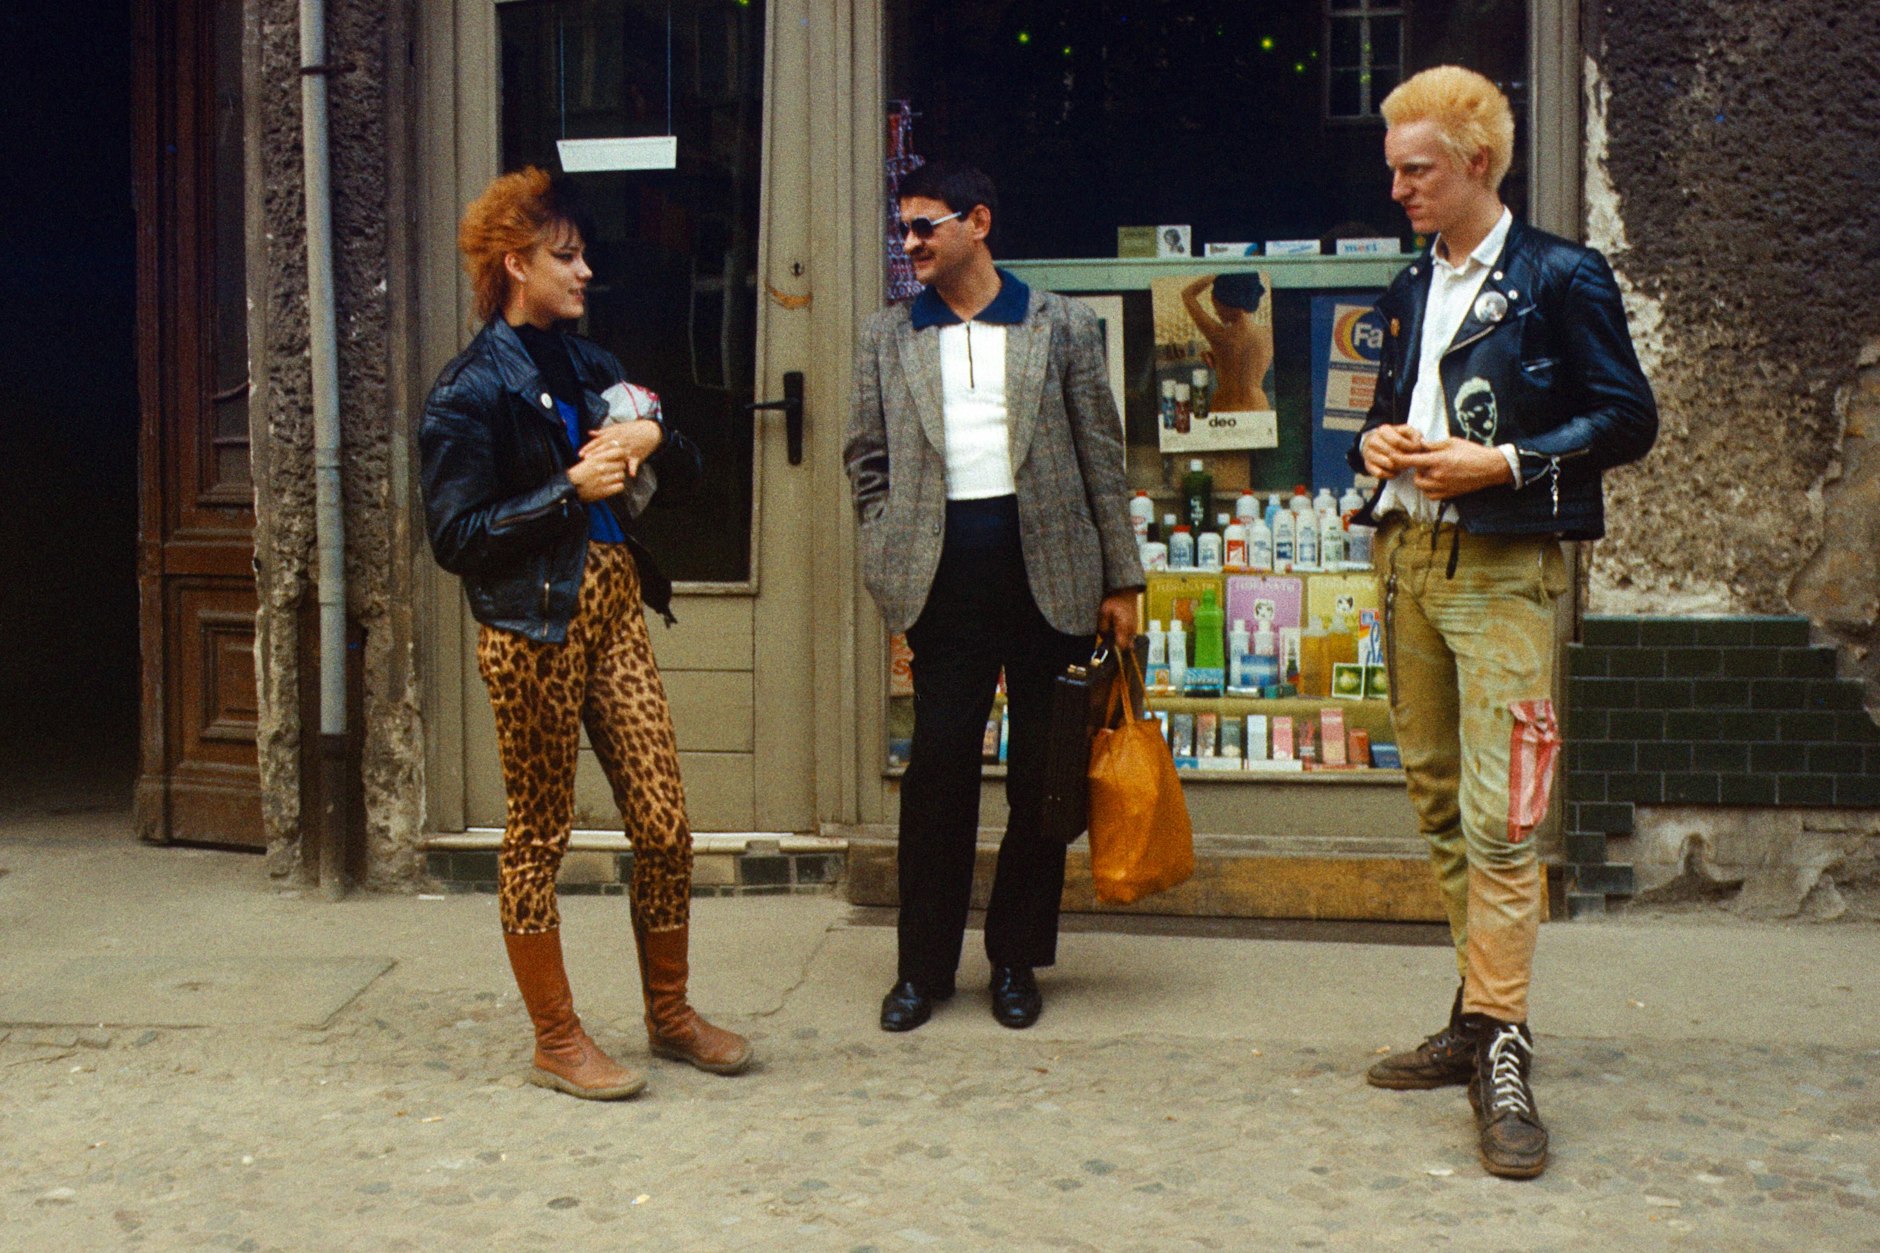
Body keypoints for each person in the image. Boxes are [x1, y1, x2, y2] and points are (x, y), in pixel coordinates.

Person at [1348, 67, 1657, 1177]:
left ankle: (1505, 1045)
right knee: (1440, 800)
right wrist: (1375, 442)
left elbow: (1628, 417)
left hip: (1504, 568)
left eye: (1416, 169)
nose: (1397, 188)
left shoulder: (1559, 275)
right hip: (1407, 557)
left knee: (1503, 818)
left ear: (1477, 162)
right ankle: (1478, 1011)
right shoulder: (1409, 282)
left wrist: (1507, 462)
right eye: (1393, 169)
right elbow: (1386, 410)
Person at [419, 168, 753, 1099]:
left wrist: (653, 440)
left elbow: (688, 470)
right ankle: (556, 1039)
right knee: (538, 832)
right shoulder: (468, 390)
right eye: (565, 256)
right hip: (532, 627)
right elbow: (455, 537)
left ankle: (670, 1014)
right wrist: (566, 490)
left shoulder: (592, 364)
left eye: (582, 254)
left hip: (612, 612)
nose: (585, 271)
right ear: (514, 264)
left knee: (666, 824)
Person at [845, 162, 1144, 1033]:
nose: (910, 242)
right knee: (938, 772)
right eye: (903, 227)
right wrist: (884, 546)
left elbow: (1102, 454)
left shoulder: (1061, 324)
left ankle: (1015, 959)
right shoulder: (887, 335)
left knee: (1043, 784)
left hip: (1052, 574)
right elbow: (866, 457)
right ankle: (922, 968)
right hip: (942, 584)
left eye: (924, 225)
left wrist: (1122, 577)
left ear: (977, 222)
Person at [1180, 273, 1274, 412]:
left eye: (1216, 308)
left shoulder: (1218, 335)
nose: (1216, 313)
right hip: (1258, 407)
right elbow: (1244, 360)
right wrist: (1221, 358)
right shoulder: (1268, 334)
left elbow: (1187, 295)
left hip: (1226, 407)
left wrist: (1216, 272)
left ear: (1227, 303)